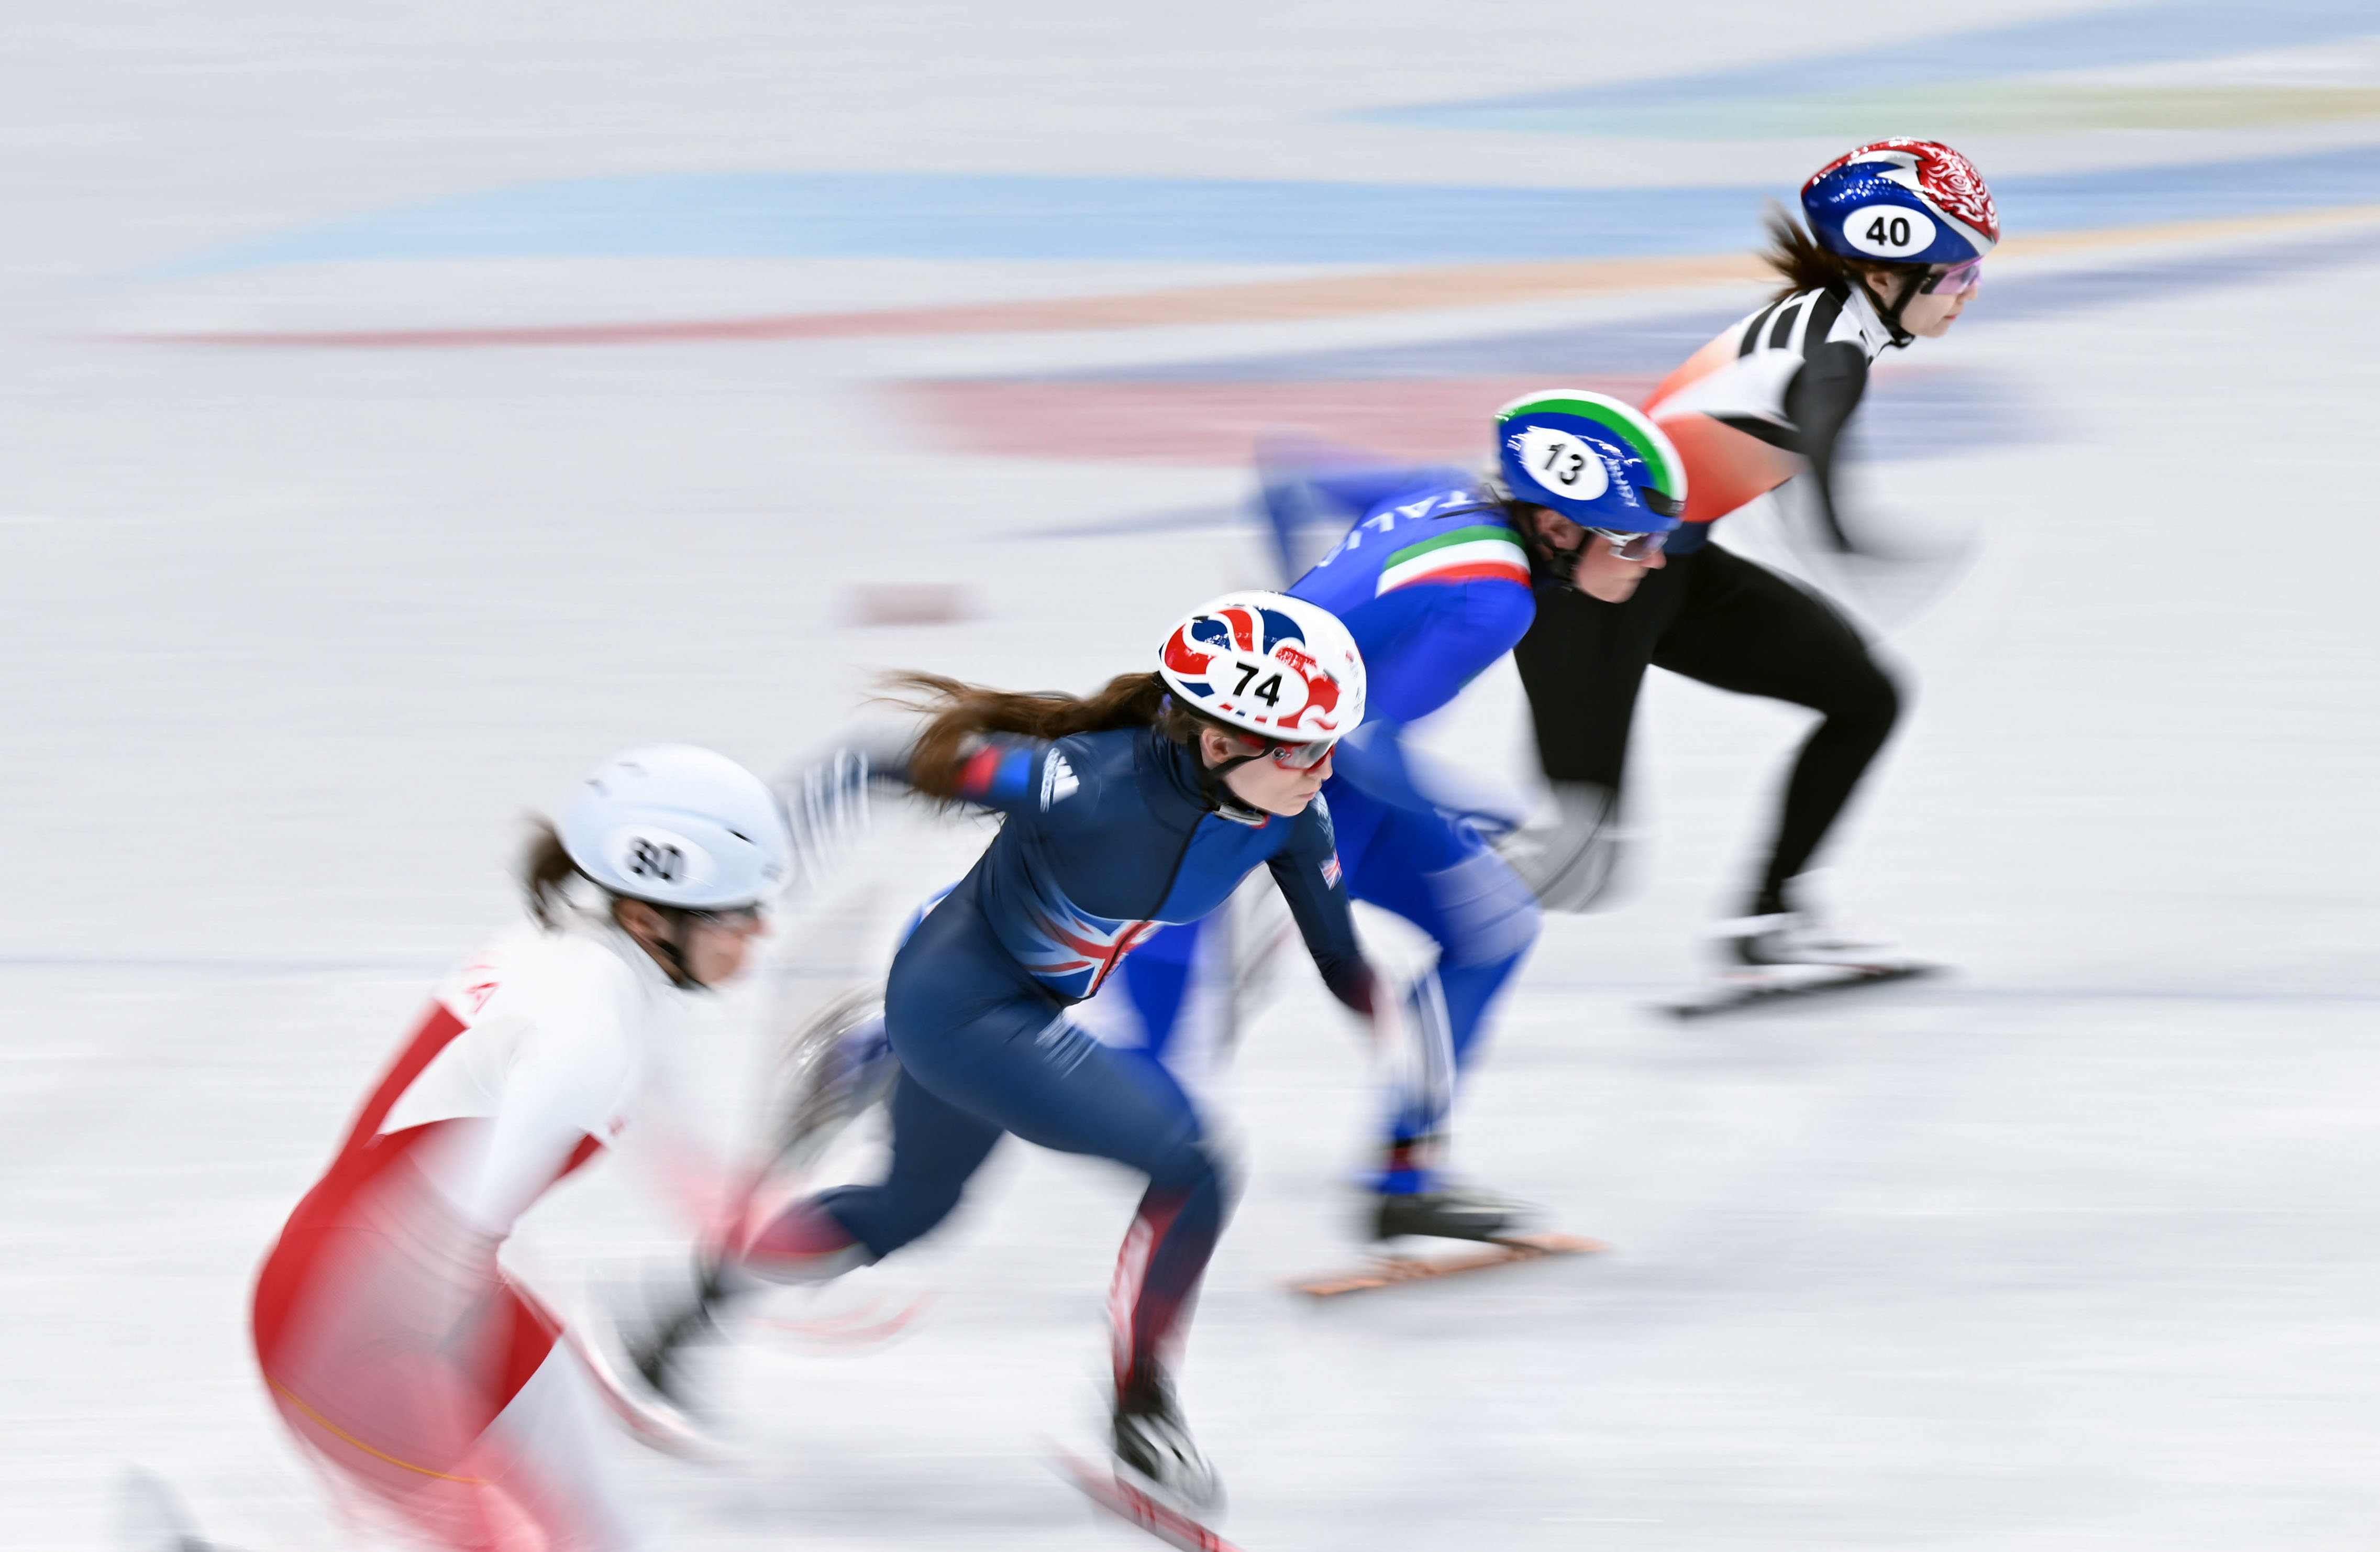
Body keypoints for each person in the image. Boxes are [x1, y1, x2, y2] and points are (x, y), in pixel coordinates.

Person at [727, 592, 1383, 1511]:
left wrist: (1391, 1025)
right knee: (1193, 1169)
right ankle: (1140, 1407)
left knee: (905, 1214)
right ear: (1220, 740)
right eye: (1307, 747)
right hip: (957, 1002)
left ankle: (699, 1298)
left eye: (1333, 743)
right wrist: (757, 862)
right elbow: (884, 760)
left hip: (1017, 1012)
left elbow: (1337, 949)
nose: (1326, 767)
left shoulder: (1287, 811)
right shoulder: (1085, 780)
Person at [1100, 391, 1685, 1243]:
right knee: (1135, 1053)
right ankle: (900, 1051)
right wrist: (1502, 815)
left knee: (1493, 932)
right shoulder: (1497, 600)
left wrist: (1286, 628)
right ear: (1558, 527)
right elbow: (1371, 746)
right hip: (1255, 790)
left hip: (1270, 771)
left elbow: (1287, 474)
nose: (1655, 560)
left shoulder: (1436, 493)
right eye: (1635, 540)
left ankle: (1404, 1178)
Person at [250, 746, 791, 1551]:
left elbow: (674, 1148)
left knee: (610, 1534)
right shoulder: (588, 1031)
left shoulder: (589, 958)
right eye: (736, 913)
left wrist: (783, 1237)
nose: (761, 930)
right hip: (341, 1327)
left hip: (436, 1293)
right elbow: (433, 1255)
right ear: (650, 919)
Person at [1504, 138, 1999, 966]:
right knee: (1580, 859)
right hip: (1586, 589)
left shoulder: (1822, 325)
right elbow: (1826, 520)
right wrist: (1883, 556)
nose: (1966, 293)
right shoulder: (1831, 355)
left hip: (1667, 570)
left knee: (1864, 699)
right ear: (1884, 274)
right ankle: (1339, 878)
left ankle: (1767, 921)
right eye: (1953, 276)